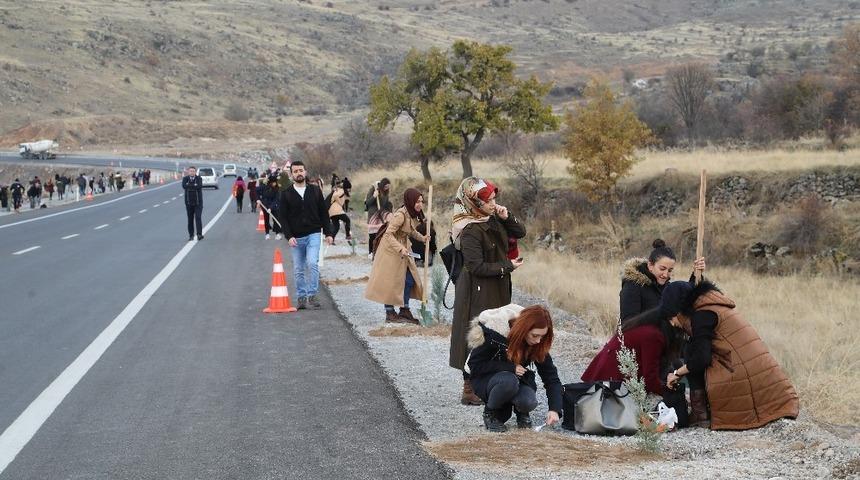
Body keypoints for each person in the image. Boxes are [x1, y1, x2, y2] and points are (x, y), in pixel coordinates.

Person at [659, 280, 800, 430]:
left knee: (692, 351)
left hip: (743, 375)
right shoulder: (712, 306)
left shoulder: (702, 315)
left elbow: (701, 359)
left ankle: (700, 414)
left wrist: (677, 373)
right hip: (756, 372)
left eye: (671, 317)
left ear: (679, 309)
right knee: (693, 348)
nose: (672, 324)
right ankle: (701, 412)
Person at [449, 177, 527, 406]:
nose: (493, 204)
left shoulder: (491, 218)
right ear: (474, 203)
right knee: (477, 332)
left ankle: (489, 382)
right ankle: (469, 388)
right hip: (477, 288)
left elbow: (520, 232)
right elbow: (475, 266)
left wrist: (506, 216)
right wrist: (507, 266)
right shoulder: (469, 229)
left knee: (497, 329)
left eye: (494, 199)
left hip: (496, 284)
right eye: (488, 200)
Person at [466, 304, 562, 432]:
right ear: (523, 329)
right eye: (535, 335)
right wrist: (510, 367)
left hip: (515, 381)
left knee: (528, 401)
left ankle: (521, 413)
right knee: (508, 381)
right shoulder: (493, 334)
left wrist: (554, 409)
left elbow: (551, 378)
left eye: (542, 336)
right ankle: (490, 413)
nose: (539, 341)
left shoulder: (537, 344)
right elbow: (474, 366)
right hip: (487, 380)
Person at [364, 188, 428, 324]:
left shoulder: (410, 213)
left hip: (402, 249)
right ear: (411, 201)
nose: (420, 204)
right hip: (390, 250)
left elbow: (410, 231)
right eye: (417, 202)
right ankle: (390, 313)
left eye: (421, 202)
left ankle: (404, 310)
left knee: (409, 279)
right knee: (391, 281)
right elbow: (388, 234)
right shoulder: (400, 215)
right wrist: (400, 248)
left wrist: (423, 238)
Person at [277, 161, 334, 310]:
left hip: (314, 234)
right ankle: (301, 297)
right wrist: (289, 236)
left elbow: (323, 213)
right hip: (296, 238)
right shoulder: (286, 194)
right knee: (298, 268)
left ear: (306, 171)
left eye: (300, 170)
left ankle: (312, 295)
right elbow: (283, 218)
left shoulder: (315, 191)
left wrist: (328, 233)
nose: (298, 173)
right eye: (295, 171)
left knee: (312, 263)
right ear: (291, 175)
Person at [620, 239, 706, 322]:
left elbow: (690, 297)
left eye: (669, 270)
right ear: (650, 265)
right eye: (662, 269)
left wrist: (696, 274)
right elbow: (629, 324)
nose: (665, 274)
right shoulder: (633, 286)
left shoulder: (668, 288)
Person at [365, 178, 392, 255]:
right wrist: (374, 196)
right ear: (383, 185)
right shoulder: (373, 189)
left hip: (381, 215)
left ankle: (379, 251)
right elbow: (367, 203)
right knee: (372, 234)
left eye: (388, 187)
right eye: (386, 186)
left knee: (381, 233)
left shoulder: (386, 193)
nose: (387, 188)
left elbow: (385, 204)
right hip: (373, 215)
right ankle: (370, 252)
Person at [182, 166, 204, 241]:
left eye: (193, 171)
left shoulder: (199, 179)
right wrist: (194, 185)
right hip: (188, 202)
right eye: (190, 171)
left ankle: (199, 234)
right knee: (190, 219)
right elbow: (184, 186)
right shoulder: (185, 179)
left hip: (198, 202)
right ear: (188, 172)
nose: (192, 172)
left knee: (198, 218)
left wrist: (190, 186)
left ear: (195, 172)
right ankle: (191, 235)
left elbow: (199, 186)